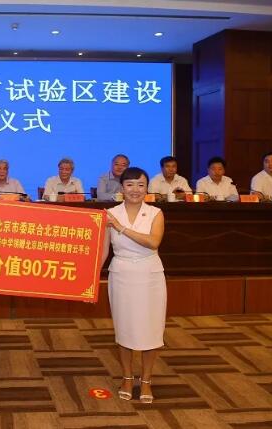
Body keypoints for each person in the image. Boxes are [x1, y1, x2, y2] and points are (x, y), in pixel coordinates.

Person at [99, 167, 166, 404]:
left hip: (149, 275)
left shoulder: (156, 213)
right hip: (122, 275)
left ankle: (146, 380)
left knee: (151, 330)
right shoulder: (111, 214)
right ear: (122, 188)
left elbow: (153, 242)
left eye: (140, 185)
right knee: (124, 329)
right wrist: (89, 279)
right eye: (130, 185)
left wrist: (121, 228)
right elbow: (103, 252)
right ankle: (127, 378)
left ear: (147, 188)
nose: (135, 190)